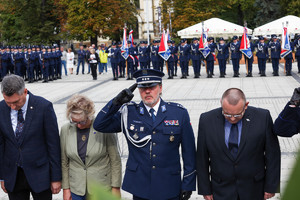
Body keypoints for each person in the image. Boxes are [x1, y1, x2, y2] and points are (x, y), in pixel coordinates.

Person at [93, 69, 196, 200]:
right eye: (142, 88)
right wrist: (115, 103)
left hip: (169, 184)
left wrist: (188, 183)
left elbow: (190, 153)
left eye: (152, 87)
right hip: (140, 185)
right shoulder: (129, 113)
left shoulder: (178, 113)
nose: (147, 91)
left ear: (160, 88)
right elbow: (99, 125)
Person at [196, 88, 281, 200]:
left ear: (246, 105)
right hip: (221, 189)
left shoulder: (262, 117)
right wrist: (205, 189)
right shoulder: (206, 120)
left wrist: (271, 186)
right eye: (226, 114)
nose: (232, 119)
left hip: (254, 189)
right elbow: (202, 157)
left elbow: (272, 154)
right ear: (221, 103)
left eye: (237, 115)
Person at [0, 74, 62, 200]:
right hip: (14, 176)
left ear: (25, 91)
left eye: (16, 102)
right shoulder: (1, 108)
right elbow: (1, 145)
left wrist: (56, 177)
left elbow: (53, 145)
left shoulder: (44, 107)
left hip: (40, 175)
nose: (12, 106)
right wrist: (2, 176)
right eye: (8, 102)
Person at [60, 94, 122, 200]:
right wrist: (65, 188)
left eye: (82, 121)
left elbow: (115, 160)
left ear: (90, 114)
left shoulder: (103, 127)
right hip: (77, 189)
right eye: (74, 121)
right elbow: (64, 161)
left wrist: (115, 187)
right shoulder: (66, 129)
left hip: (100, 187)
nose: (79, 125)